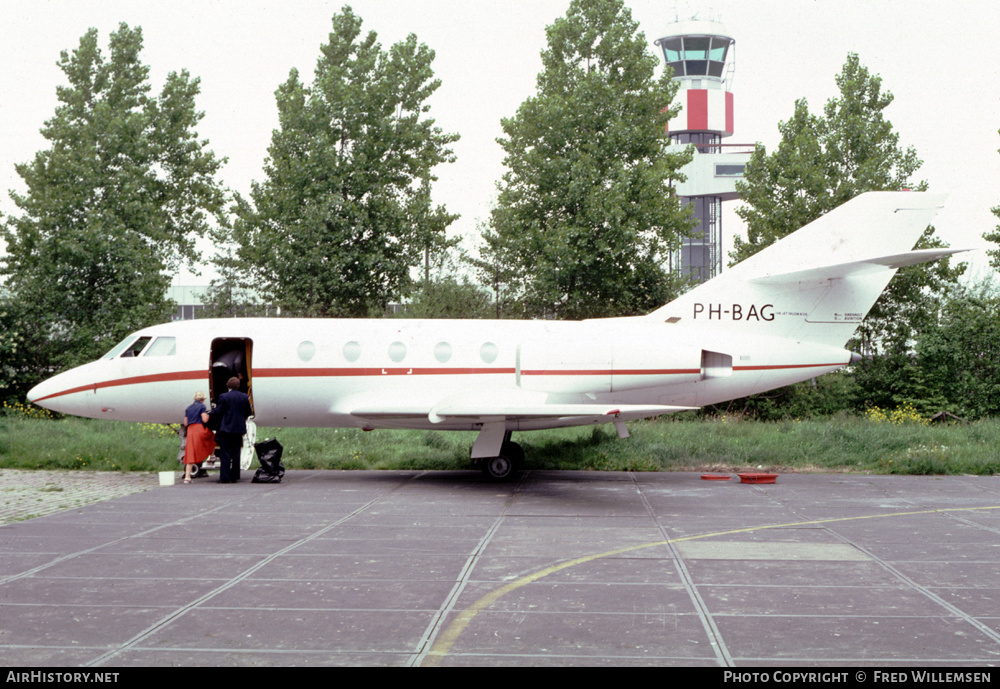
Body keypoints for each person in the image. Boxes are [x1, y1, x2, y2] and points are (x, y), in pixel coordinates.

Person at [208, 376, 253, 483]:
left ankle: (225, 477)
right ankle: (235, 476)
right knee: (236, 453)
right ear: (238, 386)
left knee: (225, 453)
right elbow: (248, 412)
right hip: (239, 429)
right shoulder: (244, 396)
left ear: (228, 385)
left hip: (226, 428)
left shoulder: (224, 396)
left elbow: (219, 411)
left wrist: (209, 414)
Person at [182, 392, 214, 484]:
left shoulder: (188, 408)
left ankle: (187, 477)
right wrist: (208, 416)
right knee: (212, 436)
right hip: (198, 429)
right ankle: (212, 456)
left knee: (190, 453)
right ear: (203, 399)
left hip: (190, 431)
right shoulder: (202, 406)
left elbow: (185, 423)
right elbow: (204, 420)